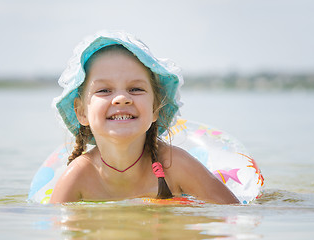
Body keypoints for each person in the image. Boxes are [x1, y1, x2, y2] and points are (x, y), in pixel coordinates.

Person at [50, 31, 239, 204]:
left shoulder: (174, 165)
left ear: (156, 107)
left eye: (136, 89)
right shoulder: (79, 176)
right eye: (104, 90)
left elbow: (232, 214)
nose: (122, 99)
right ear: (81, 112)